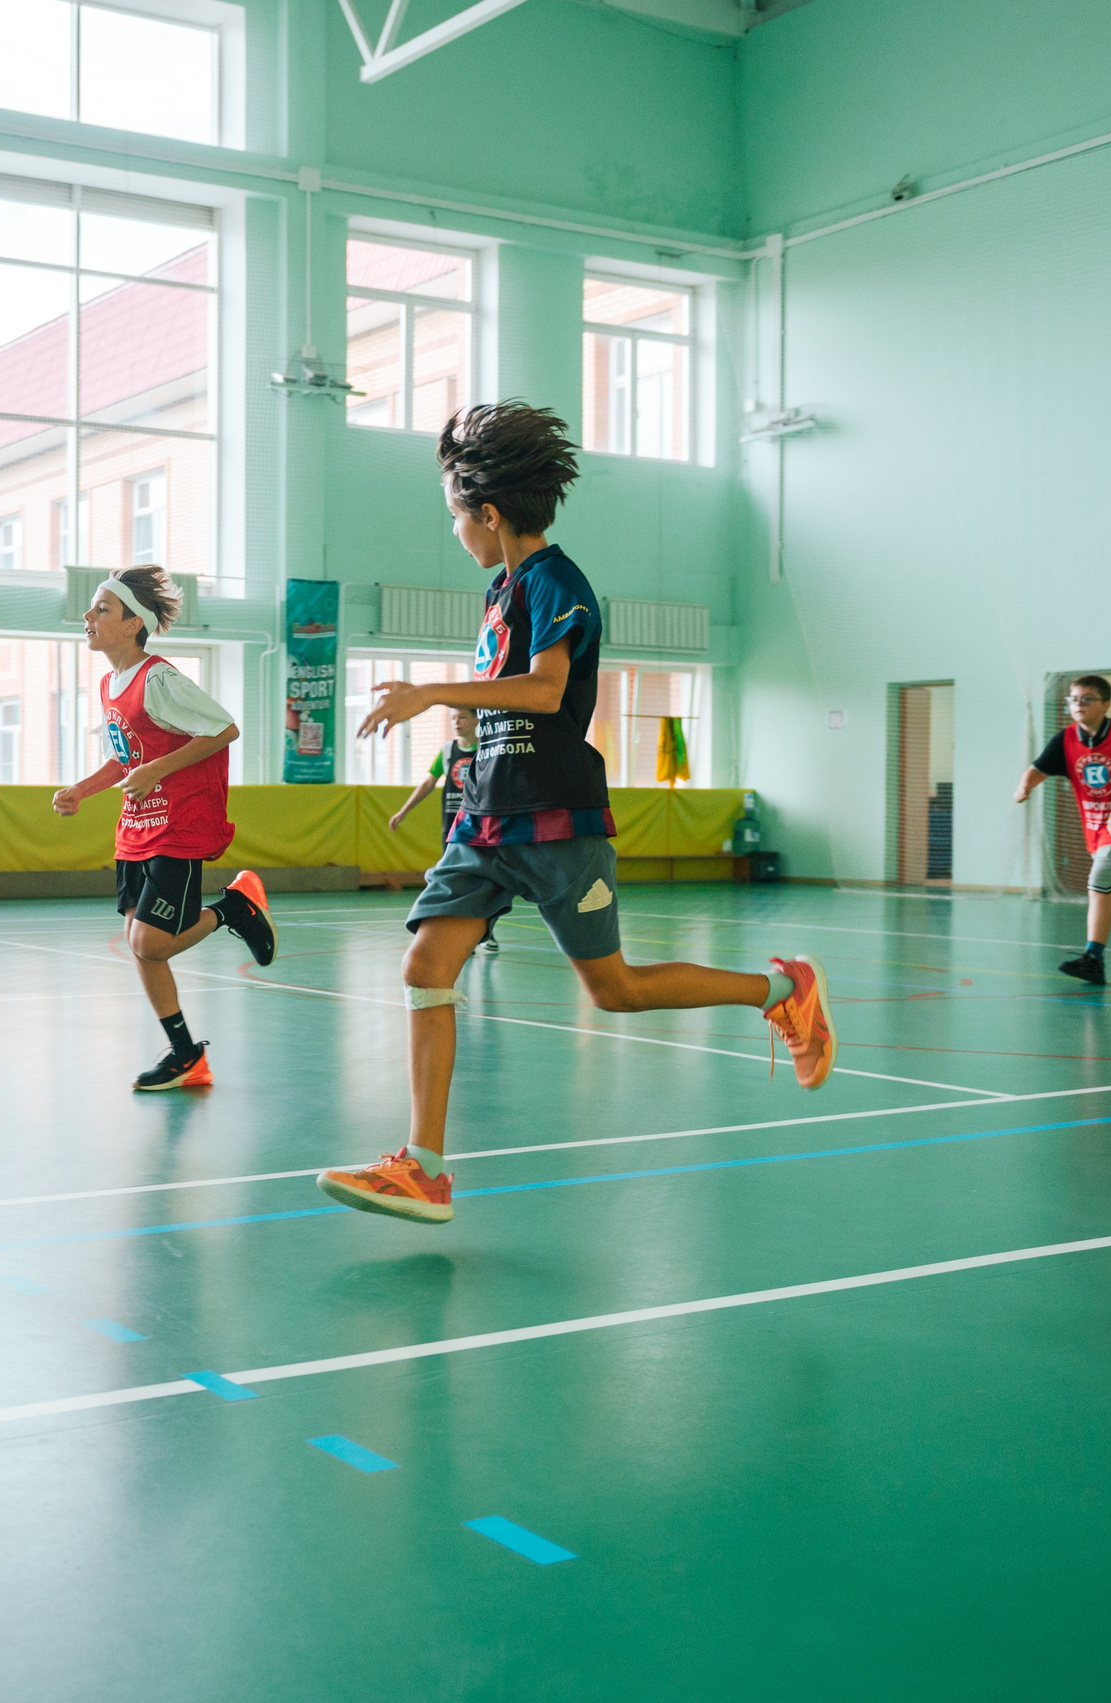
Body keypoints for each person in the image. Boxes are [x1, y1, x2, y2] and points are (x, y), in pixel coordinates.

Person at [315, 401, 835, 1227]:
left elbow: (546, 689)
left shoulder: (557, 581)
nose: (454, 529)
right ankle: (424, 1167)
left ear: (489, 514)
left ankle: (782, 988)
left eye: (455, 514)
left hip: (556, 817)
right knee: (424, 967)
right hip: (486, 820)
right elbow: (503, 700)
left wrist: (431, 691)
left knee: (614, 990)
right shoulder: (500, 591)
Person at [52, 566, 278, 1091]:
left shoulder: (159, 678)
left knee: (152, 943)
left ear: (134, 624)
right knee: (140, 945)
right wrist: (82, 790)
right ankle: (185, 1056)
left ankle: (235, 908)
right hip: (136, 828)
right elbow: (125, 758)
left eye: (102, 609)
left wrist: (157, 769)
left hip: (178, 823)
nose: (88, 616)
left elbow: (224, 729)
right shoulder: (109, 684)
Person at [1013, 675, 1111, 986]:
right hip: (1095, 830)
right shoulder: (1065, 739)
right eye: (1074, 699)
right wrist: (1024, 788)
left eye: (1087, 699)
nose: (1078, 705)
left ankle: (1093, 957)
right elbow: (1038, 768)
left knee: (1099, 882)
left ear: (1106, 704)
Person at [387, 706, 506, 953]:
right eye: (453, 718)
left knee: (487, 880)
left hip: (482, 826)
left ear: (476, 719)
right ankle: (461, 936)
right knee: (454, 881)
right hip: (453, 828)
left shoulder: (488, 748)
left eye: (462, 717)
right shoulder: (447, 751)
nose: (456, 722)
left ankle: (488, 932)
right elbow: (429, 783)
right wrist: (403, 811)